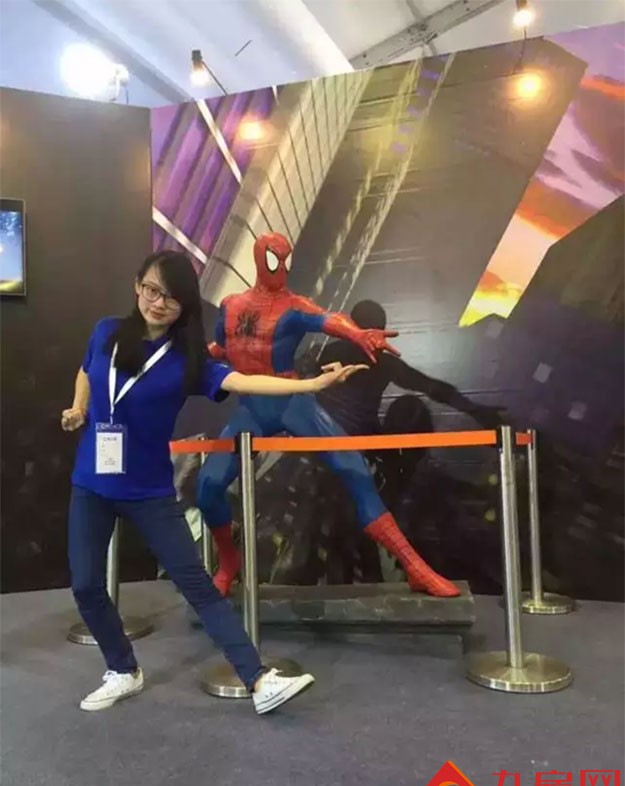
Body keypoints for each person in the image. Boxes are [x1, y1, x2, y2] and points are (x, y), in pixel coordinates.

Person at [62, 249, 365, 714]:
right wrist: (79, 408)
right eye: (152, 289)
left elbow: (246, 381)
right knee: (85, 585)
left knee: (197, 586)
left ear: (184, 306)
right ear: (137, 286)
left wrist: (309, 386)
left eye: (172, 297)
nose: (158, 302)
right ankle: (122, 669)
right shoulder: (106, 332)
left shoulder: (188, 361)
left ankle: (258, 679)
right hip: (91, 482)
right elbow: (87, 370)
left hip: (148, 493)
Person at [196, 231, 460, 599]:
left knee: (354, 470)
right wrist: (189, 357)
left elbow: (330, 319)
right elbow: (221, 348)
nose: (281, 267)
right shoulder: (231, 306)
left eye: (286, 259)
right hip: (252, 408)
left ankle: (414, 566)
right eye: (274, 258)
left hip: (292, 401)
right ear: (260, 258)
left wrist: (360, 336)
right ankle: (228, 563)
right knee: (208, 485)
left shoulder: (293, 306)